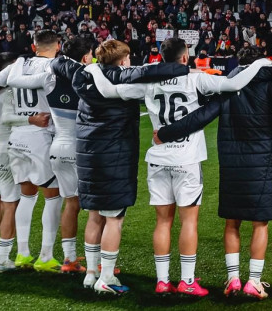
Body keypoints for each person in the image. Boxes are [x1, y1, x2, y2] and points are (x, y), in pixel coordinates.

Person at [88, 37, 272, 297]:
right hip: (186, 159)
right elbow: (234, 83)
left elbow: (110, 91)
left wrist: (95, 69)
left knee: (163, 222)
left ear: (159, 59)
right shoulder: (195, 78)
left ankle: (163, 281)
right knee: (189, 222)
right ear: (184, 58)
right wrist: (262, 62)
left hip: (159, 158)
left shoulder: (148, 81)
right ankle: (187, 281)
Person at [154, 46, 272, 300]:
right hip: (261, 162)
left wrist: (165, 134)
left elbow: (201, 116)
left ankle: (233, 279)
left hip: (231, 161)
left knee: (232, 222)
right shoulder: (269, 86)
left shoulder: (227, 87)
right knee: (260, 223)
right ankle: (254, 282)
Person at [72, 40, 190, 295]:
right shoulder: (124, 81)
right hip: (114, 155)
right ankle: (106, 278)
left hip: (87, 154)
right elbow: (149, 73)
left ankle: (91, 274)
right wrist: (184, 70)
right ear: (123, 60)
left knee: (94, 215)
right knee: (114, 217)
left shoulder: (84, 77)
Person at [0, 31, 60, 273]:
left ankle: (22, 254)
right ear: (58, 45)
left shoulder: (17, 65)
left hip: (17, 139)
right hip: (41, 138)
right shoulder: (55, 65)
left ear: (33, 45)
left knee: (27, 196)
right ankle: (46, 255)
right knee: (53, 196)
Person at [46, 36, 99, 273]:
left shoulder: (49, 76)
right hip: (81, 149)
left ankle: (69, 260)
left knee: (70, 203)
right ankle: (96, 264)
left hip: (57, 147)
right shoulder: (87, 78)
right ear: (86, 56)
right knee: (97, 209)